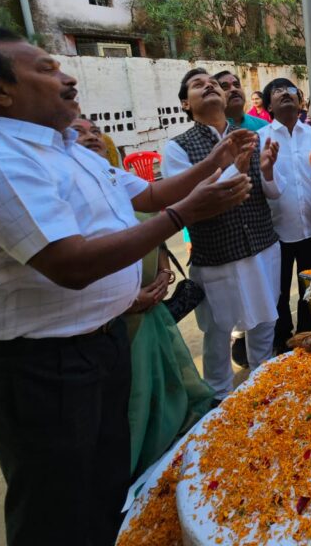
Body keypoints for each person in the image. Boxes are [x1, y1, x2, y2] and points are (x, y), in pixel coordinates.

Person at [0, 28, 251, 546]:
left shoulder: (69, 149)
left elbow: (147, 196)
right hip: (38, 365)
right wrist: (186, 214)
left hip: (97, 344)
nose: (67, 78)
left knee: (105, 485)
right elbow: (71, 265)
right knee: (57, 509)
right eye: (45, 69)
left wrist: (215, 162)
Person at [71, 117, 213, 479]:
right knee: (132, 398)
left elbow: (155, 234)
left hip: (151, 308)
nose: (90, 137)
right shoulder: (69, 193)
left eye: (94, 132)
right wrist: (127, 299)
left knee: (167, 385)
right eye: (78, 132)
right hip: (115, 319)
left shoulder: (118, 181)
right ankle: (138, 465)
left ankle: (168, 447)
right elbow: (75, 264)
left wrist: (163, 274)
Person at [162, 69, 282, 400]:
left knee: (265, 323)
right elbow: (190, 201)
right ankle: (218, 399)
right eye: (198, 85)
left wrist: (268, 171)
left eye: (213, 83)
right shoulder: (177, 148)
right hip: (216, 256)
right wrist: (237, 167)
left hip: (262, 247)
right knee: (218, 332)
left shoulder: (251, 136)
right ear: (186, 104)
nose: (210, 86)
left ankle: (263, 390)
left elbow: (273, 193)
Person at [256, 78, 311, 355]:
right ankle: (281, 340)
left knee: (310, 288)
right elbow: (265, 188)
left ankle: (305, 338)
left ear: (300, 100)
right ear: (269, 105)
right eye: (277, 91)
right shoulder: (261, 138)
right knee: (278, 291)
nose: (285, 93)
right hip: (276, 232)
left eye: (290, 90)